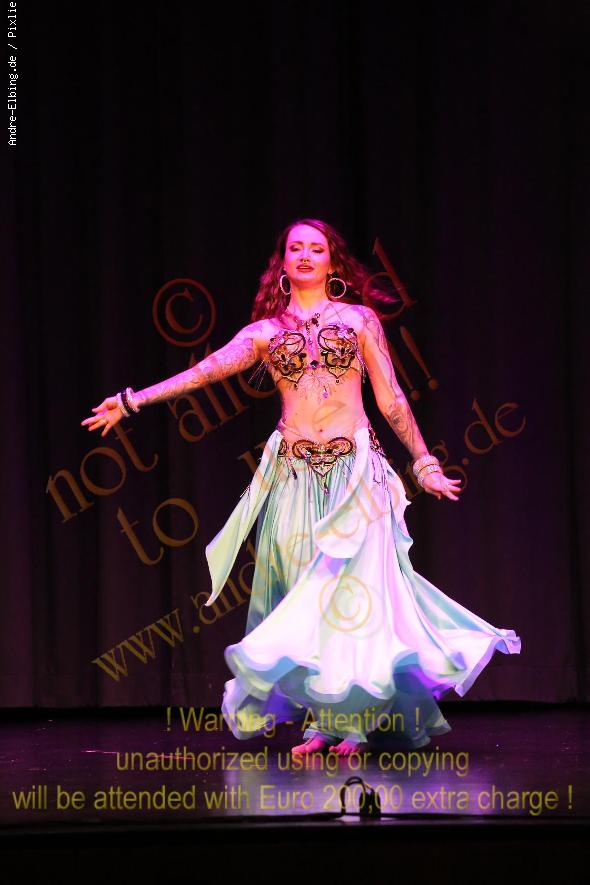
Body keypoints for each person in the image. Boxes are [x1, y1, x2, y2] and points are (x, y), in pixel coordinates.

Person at [81, 217, 521, 757]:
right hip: (293, 474)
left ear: (333, 262)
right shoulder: (265, 333)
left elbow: (390, 398)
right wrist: (132, 401)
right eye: (296, 248)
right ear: (283, 263)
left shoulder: (359, 320)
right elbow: (204, 373)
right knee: (303, 596)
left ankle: (355, 721)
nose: (307, 255)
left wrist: (423, 460)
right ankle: (322, 720)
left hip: (356, 474)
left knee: (354, 596)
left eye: (317, 248)